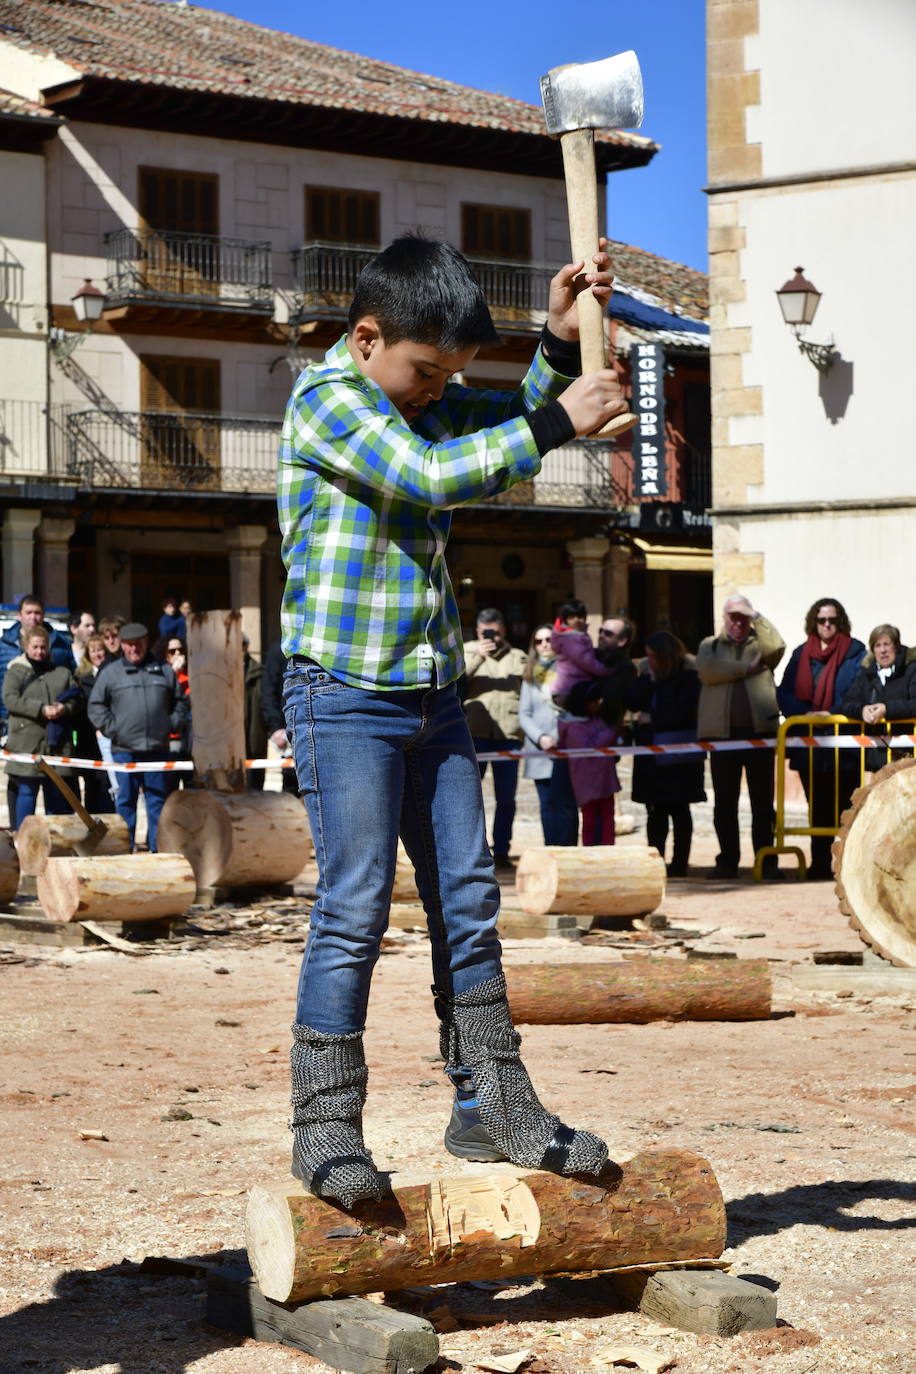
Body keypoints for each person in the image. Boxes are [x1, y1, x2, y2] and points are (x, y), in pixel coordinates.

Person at [278, 232, 624, 1208]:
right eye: (424, 371)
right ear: (365, 336)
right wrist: (562, 419)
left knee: (468, 901)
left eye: (446, 376)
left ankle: (490, 1103)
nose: (434, 391)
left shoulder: (415, 399)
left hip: (430, 698)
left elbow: (508, 418)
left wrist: (555, 345)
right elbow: (434, 475)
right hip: (339, 693)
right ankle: (325, 1129)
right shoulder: (329, 402)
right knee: (352, 909)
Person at [697, 594, 785, 879]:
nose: (738, 623)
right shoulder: (709, 646)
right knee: (725, 803)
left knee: (763, 804)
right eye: (733, 617)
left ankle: (766, 861)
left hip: (759, 735)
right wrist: (745, 669)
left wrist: (757, 615)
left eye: (743, 617)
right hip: (722, 737)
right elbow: (709, 671)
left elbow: (777, 646)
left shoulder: (760, 645)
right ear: (724, 619)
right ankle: (727, 861)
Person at [777, 599, 866, 880]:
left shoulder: (856, 652)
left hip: (844, 744)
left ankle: (846, 866)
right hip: (810, 744)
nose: (827, 625)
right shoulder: (801, 654)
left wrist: (833, 712)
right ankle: (818, 863)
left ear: (841, 622)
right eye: (821, 620)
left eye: (832, 620)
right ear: (813, 623)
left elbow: (858, 690)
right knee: (817, 804)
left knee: (845, 805)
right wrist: (806, 713)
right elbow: (785, 692)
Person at [87, 621, 188, 851]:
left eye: (139, 644)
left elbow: (181, 702)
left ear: (146, 643)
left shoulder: (163, 670)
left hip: (157, 750)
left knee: (157, 803)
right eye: (129, 645)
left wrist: (171, 724)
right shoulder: (110, 673)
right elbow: (95, 707)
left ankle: (156, 851)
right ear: (122, 645)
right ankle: (123, 849)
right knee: (125, 803)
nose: (134, 649)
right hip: (124, 751)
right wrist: (115, 730)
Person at [628, 631, 705, 877]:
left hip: (678, 756)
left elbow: (683, 712)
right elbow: (632, 701)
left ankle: (680, 863)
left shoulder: (689, 679)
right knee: (655, 811)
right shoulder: (651, 678)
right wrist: (646, 678)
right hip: (652, 758)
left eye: (653, 657)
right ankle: (656, 862)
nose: (648, 660)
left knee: (680, 810)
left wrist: (654, 718)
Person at [463, 608, 528, 871]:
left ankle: (501, 850)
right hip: (474, 735)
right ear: (478, 631)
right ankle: (471, 852)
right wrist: (479, 656)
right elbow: (456, 680)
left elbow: (529, 691)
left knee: (506, 798)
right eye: (486, 632)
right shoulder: (467, 651)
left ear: (505, 631)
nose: (492, 637)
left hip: (507, 735)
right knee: (468, 797)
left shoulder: (518, 657)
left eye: (497, 632)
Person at [2, 625, 80, 828]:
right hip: (27, 743)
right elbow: (10, 700)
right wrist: (41, 709)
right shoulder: (16, 671)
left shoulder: (62, 672)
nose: (39, 651)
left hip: (57, 745)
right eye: (35, 647)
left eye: (43, 647)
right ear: (26, 647)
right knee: (27, 791)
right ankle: (22, 839)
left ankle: (55, 842)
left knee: (55, 793)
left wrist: (64, 708)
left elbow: (76, 699)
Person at [517, 624, 578, 846]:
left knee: (565, 804)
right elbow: (524, 714)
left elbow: (571, 708)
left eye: (548, 640)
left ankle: (567, 852)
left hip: (564, 744)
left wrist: (555, 736)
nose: (544, 645)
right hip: (538, 748)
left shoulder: (569, 670)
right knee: (547, 804)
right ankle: (550, 850)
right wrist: (541, 737)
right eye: (539, 641)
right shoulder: (529, 675)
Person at [839, 624, 916, 773]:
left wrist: (886, 709)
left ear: (896, 646)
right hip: (875, 760)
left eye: (887, 644)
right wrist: (862, 710)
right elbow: (847, 703)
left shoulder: (911, 669)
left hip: (907, 758)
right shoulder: (867, 673)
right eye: (877, 645)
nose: (883, 650)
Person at [557, 679, 621, 845]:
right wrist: (611, 732)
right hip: (587, 781)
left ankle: (609, 851)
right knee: (590, 820)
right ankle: (589, 852)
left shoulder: (596, 720)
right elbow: (590, 746)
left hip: (605, 779)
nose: (598, 704)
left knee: (608, 817)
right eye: (595, 701)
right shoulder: (573, 726)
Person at [73, 633, 116, 814]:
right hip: (88, 738)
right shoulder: (81, 678)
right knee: (92, 783)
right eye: (93, 651)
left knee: (109, 783)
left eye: (100, 650)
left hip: (109, 736)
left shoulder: (114, 672)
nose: (97, 654)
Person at [261, 639, 299, 795]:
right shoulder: (279, 649)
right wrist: (276, 728)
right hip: (289, 732)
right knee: (291, 788)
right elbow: (268, 692)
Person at [243, 634, 268, 790]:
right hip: (231, 740)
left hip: (255, 734)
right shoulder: (224, 673)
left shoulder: (259, 672)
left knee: (255, 786)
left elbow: (266, 702)